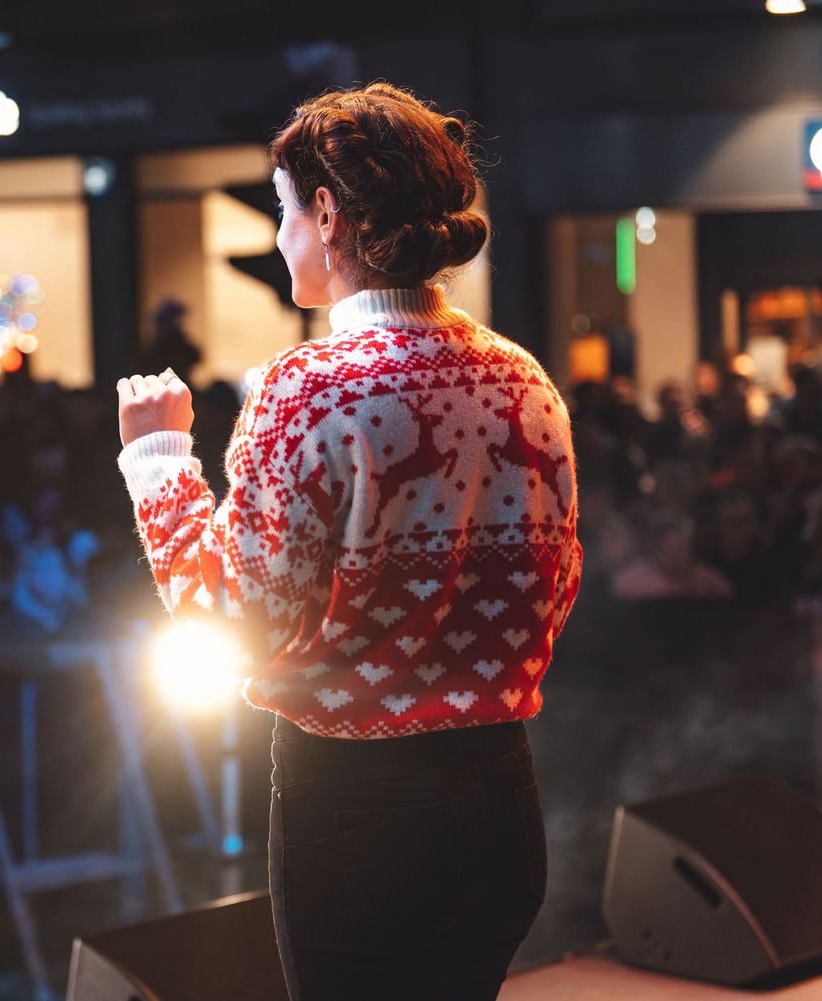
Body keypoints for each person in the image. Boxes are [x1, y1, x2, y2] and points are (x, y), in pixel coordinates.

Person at [114, 83, 583, 999]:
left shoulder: (308, 391)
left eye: (282, 210)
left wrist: (158, 459)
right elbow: (555, 585)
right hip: (502, 799)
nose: (281, 234)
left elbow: (231, 619)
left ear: (326, 215)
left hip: (358, 812)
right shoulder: (521, 379)